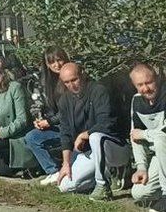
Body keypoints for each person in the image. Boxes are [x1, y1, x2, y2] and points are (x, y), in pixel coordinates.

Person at [55, 62, 131, 200]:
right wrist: (66, 163)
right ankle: (104, 175)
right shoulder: (64, 101)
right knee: (64, 186)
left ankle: (103, 186)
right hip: (90, 152)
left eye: (74, 79)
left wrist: (85, 135)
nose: (72, 85)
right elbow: (65, 133)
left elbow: (107, 122)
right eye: (67, 82)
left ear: (82, 74)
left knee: (96, 137)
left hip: (113, 146)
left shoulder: (98, 91)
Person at [0, 60, 36, 177]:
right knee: (2, 170)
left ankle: (29, 163)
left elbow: (22, 119)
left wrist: (1, 133)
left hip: (15, 135)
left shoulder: (15, 88)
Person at [25, 46, 69, 182]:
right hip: (55, 125)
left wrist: (50, 122)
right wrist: (39, 119)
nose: (57, 65)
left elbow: (68, 112)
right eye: (52, 62)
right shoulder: (45, 83)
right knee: (31, 137)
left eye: (59, 60)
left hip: (71, 126)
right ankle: (53, 171)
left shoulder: (70, 80)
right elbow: (41, 106)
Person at [129, 63, 165, 209]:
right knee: (139, 193)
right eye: (140, 85)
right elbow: (135, 136)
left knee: (161, 139)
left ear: (157, 79)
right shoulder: (136, 101)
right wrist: (141, 167)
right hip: (160, 156)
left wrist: (144, 134)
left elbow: (163, 134)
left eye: (149, 82)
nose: (146, 88)